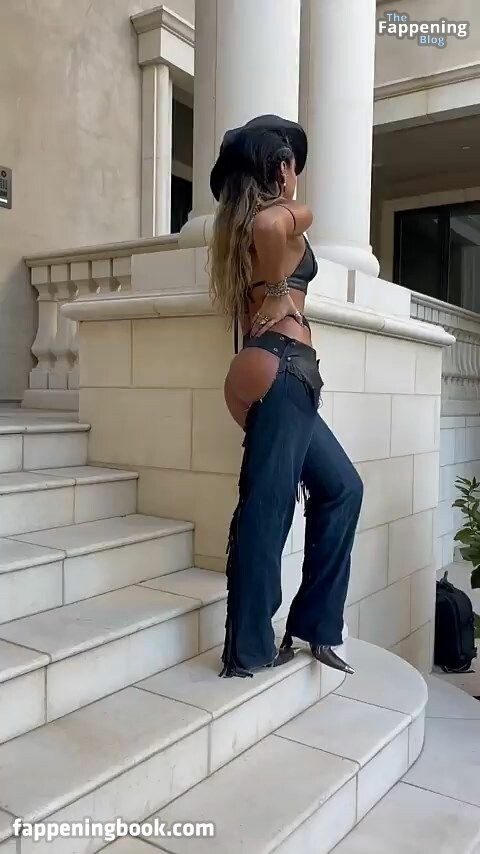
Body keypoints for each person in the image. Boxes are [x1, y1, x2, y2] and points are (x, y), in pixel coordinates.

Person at [208, 115, 363, 679]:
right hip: (283, 369)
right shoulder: (277, 218)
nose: (297, 177)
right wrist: (280, 285)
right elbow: (278, 222)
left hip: (264, 367)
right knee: (267, 509)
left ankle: (314, 625)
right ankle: (249, 648)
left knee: (341, 488)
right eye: (293, 165)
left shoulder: (237, 230)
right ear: (281, 167)